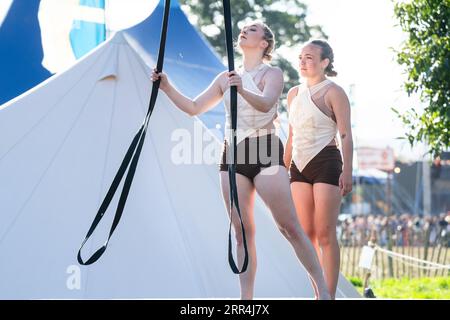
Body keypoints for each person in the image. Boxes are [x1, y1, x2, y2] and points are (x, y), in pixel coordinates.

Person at [151, 22, 330, 300]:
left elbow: (267, 103)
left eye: (254, 29)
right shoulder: (226, 77)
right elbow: (194, 107)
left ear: (264, 44)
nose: (245, 30)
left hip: (265, 148)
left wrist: (242, 88)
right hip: (233, 152)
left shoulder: (272, 73)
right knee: (241, 231)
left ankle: (322, 289)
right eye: (245, 28)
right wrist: (167, 86)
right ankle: (246, 300)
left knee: (289, 226)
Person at [284, 39, 353, 299]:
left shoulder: (334, 92)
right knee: (306, 234)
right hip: (298, 167)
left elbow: (346, 135)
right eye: (301, 57)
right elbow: (291, 135)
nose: (303, 61)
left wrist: (347, 171)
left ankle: (330, 296)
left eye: (310, 57)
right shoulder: (292, 94)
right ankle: (319, 292)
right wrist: (283, 167)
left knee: (325, 233)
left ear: (324, 62)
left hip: (327, 161)